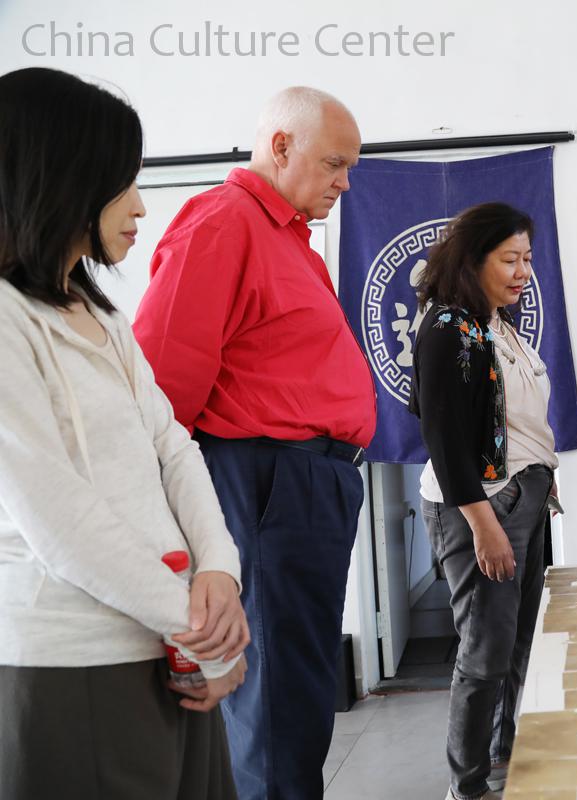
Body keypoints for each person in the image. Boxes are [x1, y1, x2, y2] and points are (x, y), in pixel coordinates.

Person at [0, 67, 249, 798]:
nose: (140, 204)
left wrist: (219, 571)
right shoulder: (8, 321)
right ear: (60, 177)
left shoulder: (100, 315)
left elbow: (173, 447)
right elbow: (57, 517)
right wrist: (203, 629)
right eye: (123, 182)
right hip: (78, 659)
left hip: (168, 647)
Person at [132, 87, 376, 799]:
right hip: (266, 480)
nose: (344, 182)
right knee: (274, 701)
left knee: (298, 690)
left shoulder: (288, 239)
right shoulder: (224, 222)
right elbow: (164, 384)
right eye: (334, 163)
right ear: (280, 147)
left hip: (304, 484)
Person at [410, 203, 558, 800]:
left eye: (528, 259)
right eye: (509, 259)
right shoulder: (450, 326)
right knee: (485, 650)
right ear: (473, 260)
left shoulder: (496, 322)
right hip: (482, 506)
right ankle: (466, 786)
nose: (523, 271)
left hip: (524, 498)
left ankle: (504, 757)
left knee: (518, 642)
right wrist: (483, 524)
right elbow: (442, 436)